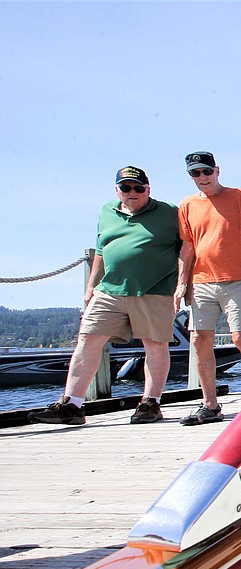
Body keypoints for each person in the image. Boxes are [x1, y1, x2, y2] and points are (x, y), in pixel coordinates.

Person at [28, 166, 181, 426]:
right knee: (87, 338)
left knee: (155, 344)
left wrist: (182, 285)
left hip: (153, 290)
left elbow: (186, 248)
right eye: (125, 188)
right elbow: (101, 250)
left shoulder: (169, 213)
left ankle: (150, 403)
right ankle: (72, 405)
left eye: (138, 188)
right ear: (117, 190)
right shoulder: (106, 211)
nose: (132, 193)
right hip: (109, 290)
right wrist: (91, 286)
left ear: (148, 189)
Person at [175, 151, 241, 426]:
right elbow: (188, 247)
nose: (202, 177)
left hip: (239, 280)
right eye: (195, 173)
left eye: (206, 171)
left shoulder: (240, 196)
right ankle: (210, 405)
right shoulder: (187, 205)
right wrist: (183, 283)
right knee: (199, 340)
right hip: (202, 282)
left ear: (217, 170)